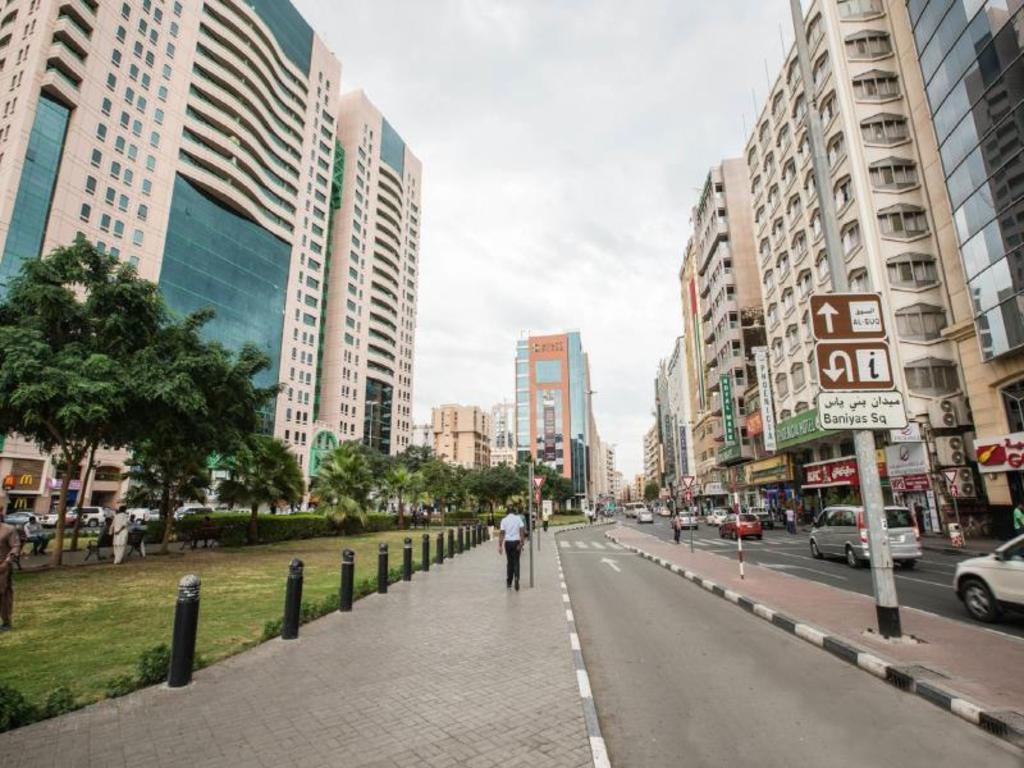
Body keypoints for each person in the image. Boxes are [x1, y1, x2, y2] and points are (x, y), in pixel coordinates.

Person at [0, 511, 20, 631]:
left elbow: (15, 546)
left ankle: (6, 622)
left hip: (2, 568)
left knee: (3, 595)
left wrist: (7, 562)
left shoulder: (8, 530)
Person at [498, 506, 525, 591]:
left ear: (507, 512)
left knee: (509, 562)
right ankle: (516, 578)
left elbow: (502, 533)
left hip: (508, 543)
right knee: (516, 561)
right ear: (514, 512)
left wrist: (500, 545)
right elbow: (522, 530)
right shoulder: (518, 518)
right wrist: (522, 542)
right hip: (516, 542)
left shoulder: (504, 520)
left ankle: (509, 582)